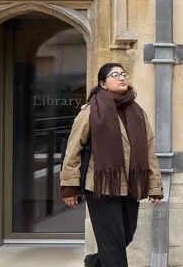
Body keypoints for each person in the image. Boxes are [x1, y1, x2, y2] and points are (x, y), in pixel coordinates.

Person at [60, 62, 163, 267]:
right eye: (115, 75)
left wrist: (155, 186)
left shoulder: (138, 113)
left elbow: (150, 151)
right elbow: (73, 149)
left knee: (125, 235)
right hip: (100, 186)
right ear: (103, 84)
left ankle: (95, 262)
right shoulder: (90, 111)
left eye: (123, 74)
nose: (122, 78)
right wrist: (69, 186)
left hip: (131, 186)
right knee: (111, 241)